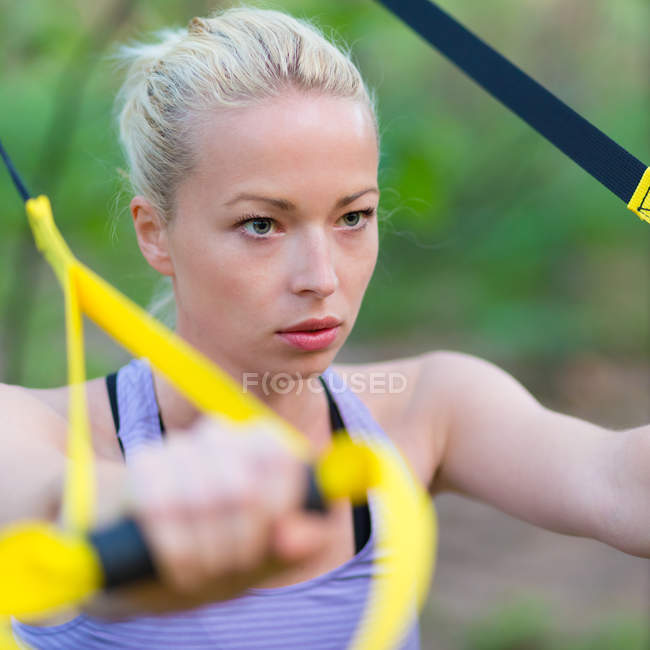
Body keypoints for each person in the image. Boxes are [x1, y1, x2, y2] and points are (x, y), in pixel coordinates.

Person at [3, 5, 649, 649]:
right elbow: (55, 517)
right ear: (155, 234)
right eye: (261, 224)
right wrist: (147, 518)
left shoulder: (429, 409)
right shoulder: (34, 429)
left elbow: (620, 484)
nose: (320, 277)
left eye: (352, 218)